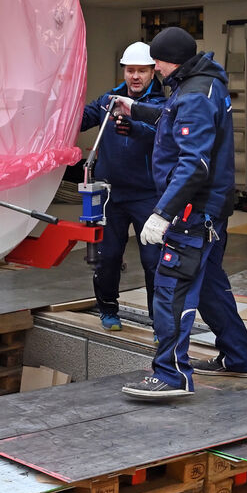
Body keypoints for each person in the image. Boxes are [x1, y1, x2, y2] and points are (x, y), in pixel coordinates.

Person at [109, 27, 247, 400]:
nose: (153, 69)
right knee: (208, 286)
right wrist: (136, 108)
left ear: (168, 59)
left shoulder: (193, 96)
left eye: (155, 61)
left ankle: (171, 374)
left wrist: (161, 213)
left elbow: (195, 164)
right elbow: (175, 121)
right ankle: (237, 357)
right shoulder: (205, 85)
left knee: (171, 288)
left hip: (192, 213)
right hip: (211, 210)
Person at [80, 41, 166, 332]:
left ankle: (160, 323)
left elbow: (161, 131)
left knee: (154, 260)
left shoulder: (161, 105)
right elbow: (81, 119)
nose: (136, 76)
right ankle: (107, 310)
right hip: (111, 195)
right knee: (108, 257)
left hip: (147, 196)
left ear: (153, 72)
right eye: (130, 70)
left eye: (142, 70)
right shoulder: (109, 100)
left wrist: (135, 125)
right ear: (124, 72)